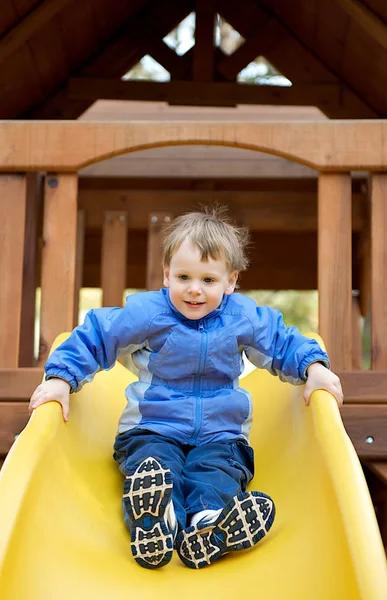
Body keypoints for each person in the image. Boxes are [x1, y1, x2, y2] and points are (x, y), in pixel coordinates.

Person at [29, 206, 343, 571]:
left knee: (216, 474)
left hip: (222, 435)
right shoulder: (149, 313)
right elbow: (98, 336)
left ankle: (208, 527)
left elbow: (281, 342)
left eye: (208, 280)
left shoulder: (241, 317)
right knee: (157, 469)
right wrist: (60, 379)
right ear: (166, 275)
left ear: (231, 281)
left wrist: (313, 367)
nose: (194, 290)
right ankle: (158, 521)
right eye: (183, 277)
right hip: (153, 428)